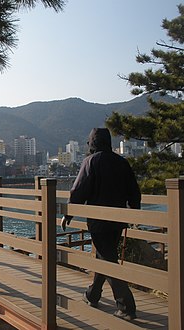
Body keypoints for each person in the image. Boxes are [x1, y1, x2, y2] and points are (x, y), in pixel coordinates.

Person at [61, 127, 141, 321]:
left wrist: (68, 213)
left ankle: (126, 306)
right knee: (105, 256)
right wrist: (135, 211)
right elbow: (134, 191)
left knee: (107, 259)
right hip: (118, 220)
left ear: (92, 143)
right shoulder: (122, 162)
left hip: (98, 221)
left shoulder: (91, 161)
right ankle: (93, 295)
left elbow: (79, 190)